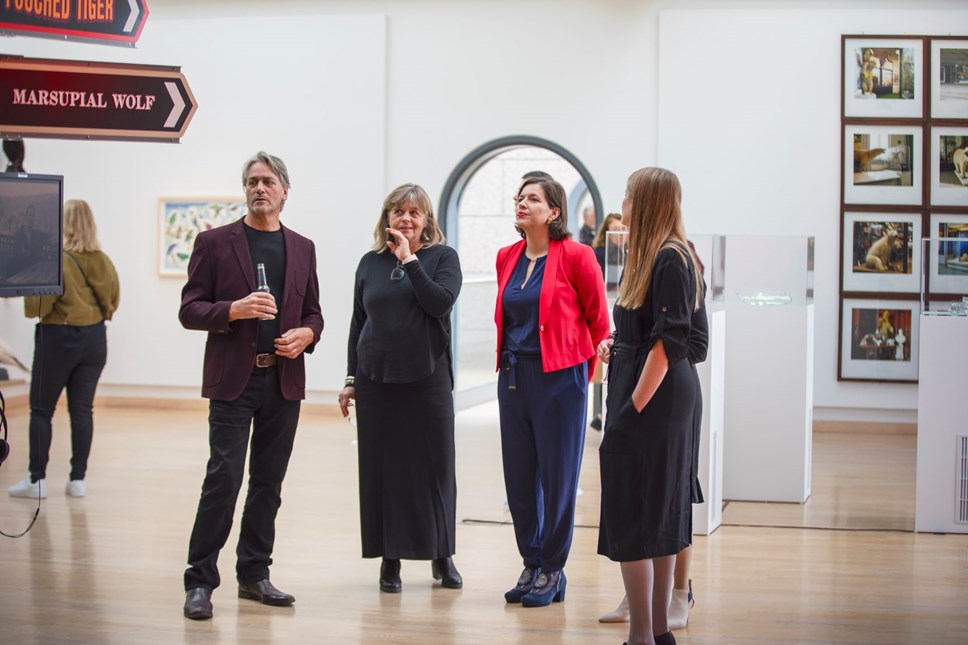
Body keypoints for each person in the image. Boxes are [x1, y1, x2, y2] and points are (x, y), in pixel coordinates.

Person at [179, 151, 323, 621]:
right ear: (246, 190)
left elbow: (313, 313)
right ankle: (199, 581)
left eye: (268, 182)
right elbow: (189, 309)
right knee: (223, 480)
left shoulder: (302, 247)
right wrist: (233, 311)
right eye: (252, 182)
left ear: (285, 191)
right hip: (233, 382)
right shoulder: (215, 243)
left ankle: (254, 574)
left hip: (282, 381)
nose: (259, 188)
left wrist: (309, 334)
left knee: (268, 484)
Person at [596, 167, 706, 645]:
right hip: (653, 393)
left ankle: (643, 635)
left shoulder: (669, 258)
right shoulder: (658, 257)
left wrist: (631, 411)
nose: (623, 203)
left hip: (655, 401)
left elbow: (672, 343)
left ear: (649, 201)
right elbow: (651, 334)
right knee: (655, 511)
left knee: (638, 512)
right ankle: (655, 631)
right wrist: (617, 344)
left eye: (628, 194)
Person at [338, 183, 463, 594]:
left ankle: (441, 555)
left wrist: (410, 260)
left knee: (434, 469)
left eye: (414, 212)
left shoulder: (442, 258)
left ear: (426, 220)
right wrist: (351, 378)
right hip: (376, 380)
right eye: (398, 212)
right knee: (383, 469)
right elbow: (359, 322)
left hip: (427, 379)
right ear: (386, 218)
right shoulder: (369, 263)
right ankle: (388, 560)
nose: (406, 219)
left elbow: (438, 302)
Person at [495, 175, 610, 608]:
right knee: (520, 477)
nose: (522, 203)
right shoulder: (506, 256)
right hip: (512, 376)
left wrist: (592, 378)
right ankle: (531, 560)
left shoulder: (577, 256)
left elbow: (600, 322)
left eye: (532, 198)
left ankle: (553, 568)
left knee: (558, 476)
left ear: (554, 211)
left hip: (562, 379)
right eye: (519, 197)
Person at [8, 199, 120, 500]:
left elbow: (38, 308)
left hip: (57, 339)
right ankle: (77, 480)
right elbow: (113, 302)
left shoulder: (53, 261)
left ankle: (37, 481)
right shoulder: (104, 261)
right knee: (82, 410)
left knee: (42, 410)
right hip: (95, 339)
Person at [590, 213, 627, 432]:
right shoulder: (599, 254)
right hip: (606, 307)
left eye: (624, 230)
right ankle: (599, 412)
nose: (621, 235)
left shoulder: (631, 253)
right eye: (617, 230)